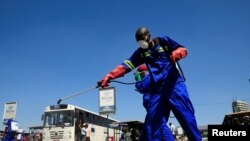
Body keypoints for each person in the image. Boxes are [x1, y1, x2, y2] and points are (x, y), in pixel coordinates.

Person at [98, 26, 202, 141]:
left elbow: (183, 49)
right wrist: (109, 76)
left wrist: (178, 52)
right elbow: (127, 65)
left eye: (143, 40)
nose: (142, 44)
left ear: (149, 36)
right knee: (153, 125)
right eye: (139, 42)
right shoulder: (141, 53)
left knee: (187, 118)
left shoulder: (163, 41)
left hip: (174, 85)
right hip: (157, 90)